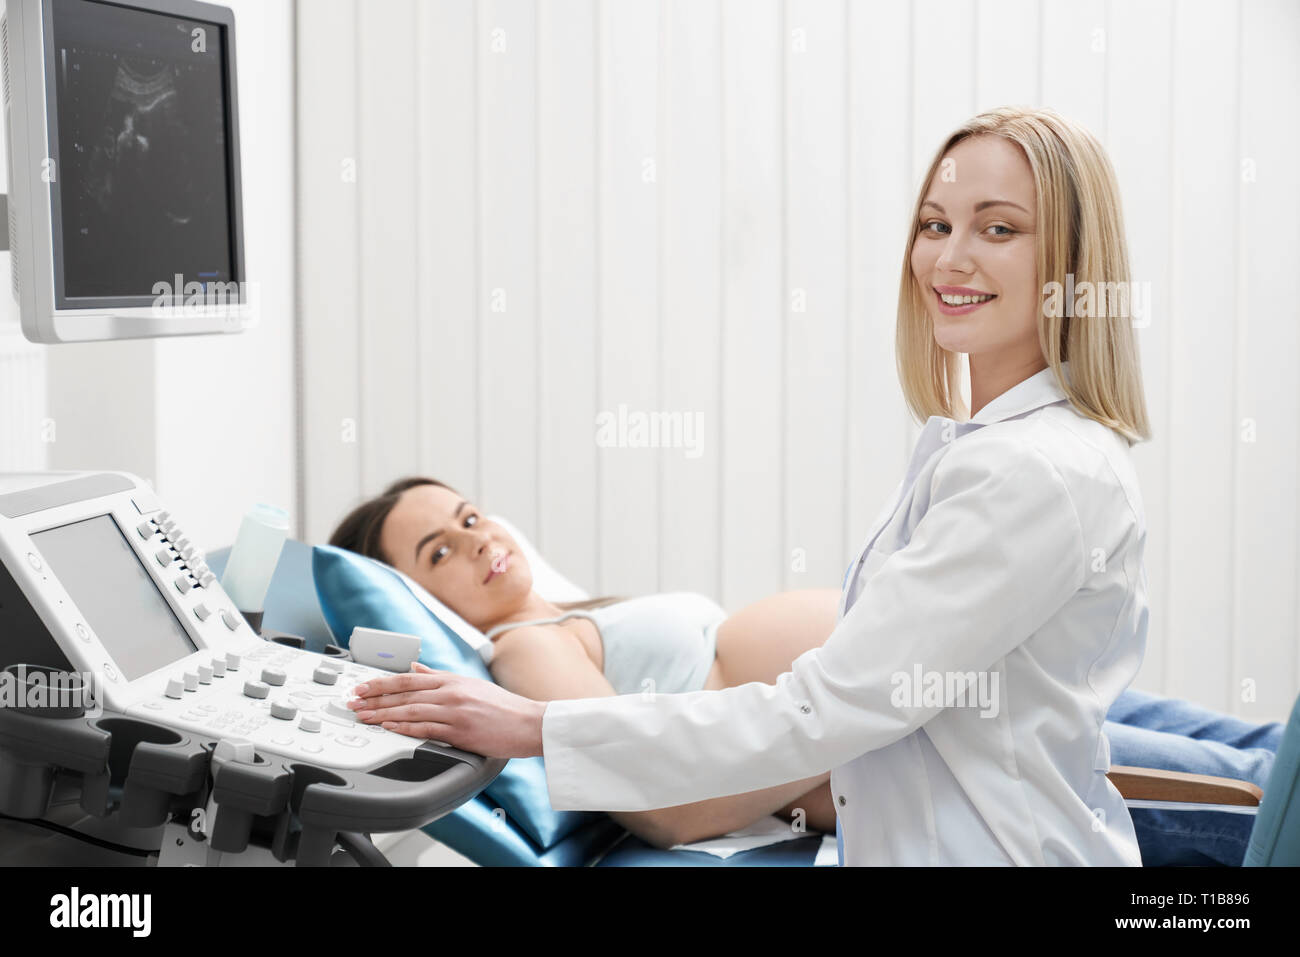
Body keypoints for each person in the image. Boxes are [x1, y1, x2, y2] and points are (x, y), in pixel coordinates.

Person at [343, 107, 1274, 865]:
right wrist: (531, 721)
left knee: (1273, 777)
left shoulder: (1031, 468)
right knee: (1268, 778)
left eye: (998, 228)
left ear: (1070, 259)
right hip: (952, 758)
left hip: (985, 787)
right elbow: (794, 734)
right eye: (935, 225)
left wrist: (537, 727)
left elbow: (827, 708)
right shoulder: (1000, 449)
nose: (950, 258)